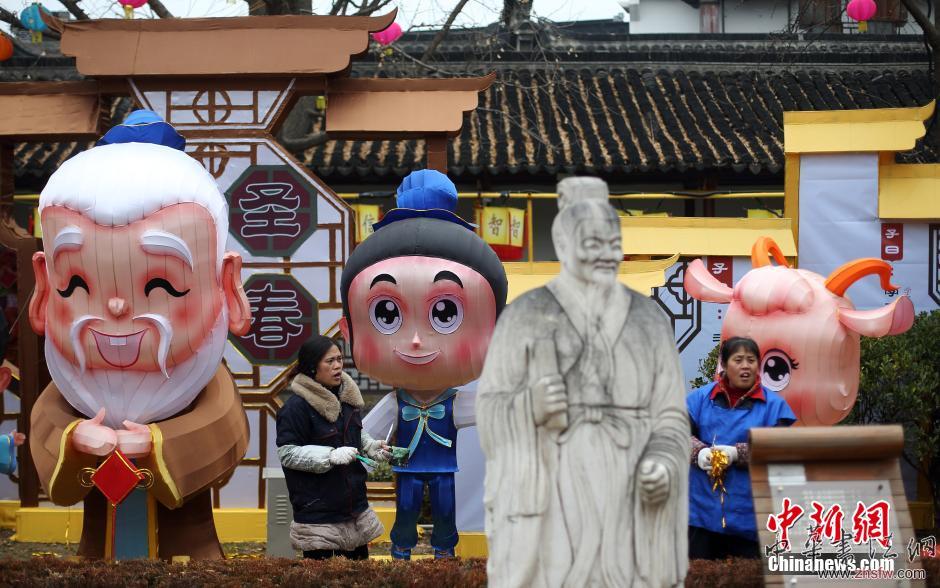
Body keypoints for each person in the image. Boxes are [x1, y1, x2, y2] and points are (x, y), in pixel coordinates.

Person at [27, 110, 251, 559]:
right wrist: (73, 440)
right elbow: (46, 422)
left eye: (161, 285)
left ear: (226, 290)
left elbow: (226, 428)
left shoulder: (201, 384)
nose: (116, 309)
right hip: (98, 548)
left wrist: (158, 445)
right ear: (44, 292)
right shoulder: (73, 389)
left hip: (188, 549)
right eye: (76, 285)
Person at [477, 177, 689, 587]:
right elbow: (489, 410)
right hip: (555, 477)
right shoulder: (525, 315)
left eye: (614, 244)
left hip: (630, 476)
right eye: (593, 243)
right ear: (563, 244)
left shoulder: (649, 321)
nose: (607, 255)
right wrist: (529, 406)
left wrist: (663, 461)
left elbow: (671, 414)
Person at [342, 169, 508, 560]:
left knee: (447, 513)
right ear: (348, 331)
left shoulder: (455, 401)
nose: (416, 340)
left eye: (445, 312)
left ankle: (444, 556)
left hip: (445, 468)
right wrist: (357, 456)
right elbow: (366, 434)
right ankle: (401, 554)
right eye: (386, 313)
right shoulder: (396, 402)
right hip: (407, 469)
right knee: (406, 511)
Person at [276, 335, 391, 560]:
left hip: (354, 510)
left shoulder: (347, 399)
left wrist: (369, 446)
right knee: (325, 577)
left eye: (339, 359)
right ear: (312, 367)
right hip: (319, 515)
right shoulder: (296, 408)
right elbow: (287, 453)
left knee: (360, 575)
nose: (338, 366)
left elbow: (352, 433)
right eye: (330, 361)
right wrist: (330, 456)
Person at [687, 336, 797, 560]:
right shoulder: (699, 399)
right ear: (724, 364)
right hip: (702, 512)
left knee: (746, 574)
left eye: (751, 360)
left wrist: (737, 453)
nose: (745, 366)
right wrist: (699, 452)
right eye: (738, 360)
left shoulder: (774, 406)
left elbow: (780, 448)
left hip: (751, 513)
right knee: (700, 573)